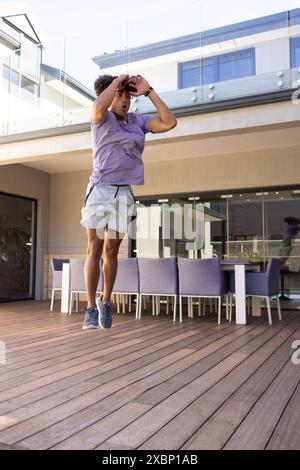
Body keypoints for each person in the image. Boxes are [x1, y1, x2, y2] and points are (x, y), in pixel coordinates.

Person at [80, 73, 177, 329]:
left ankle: (106, 301)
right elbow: (99, 106)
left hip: (123, 194)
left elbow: (169, 122)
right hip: (99, 190)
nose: (124, 101)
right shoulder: (101, 118)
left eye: (127, 97)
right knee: (95, 248)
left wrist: (149, 91)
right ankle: (90, 307)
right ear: (111, 95)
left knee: (112, 251)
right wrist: (119, 81)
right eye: (120, 96)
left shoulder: (137, 122)